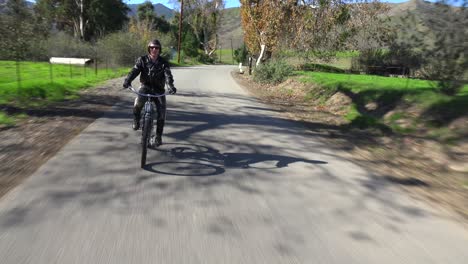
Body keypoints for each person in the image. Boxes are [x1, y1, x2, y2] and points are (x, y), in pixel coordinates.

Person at [123, 39, 177, 146]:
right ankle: (136, 120)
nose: (154, 49)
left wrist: (170, 86)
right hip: (145, 87)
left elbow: (168, 76)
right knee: (138, 103)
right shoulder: (142, 60)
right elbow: (134, 71)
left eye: (156, 48)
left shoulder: (163, 63)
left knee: (162, 113)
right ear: (149, 49)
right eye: (152, 47)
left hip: (159, 90)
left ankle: (158, 137)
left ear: (159, 49)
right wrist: (127, 81)